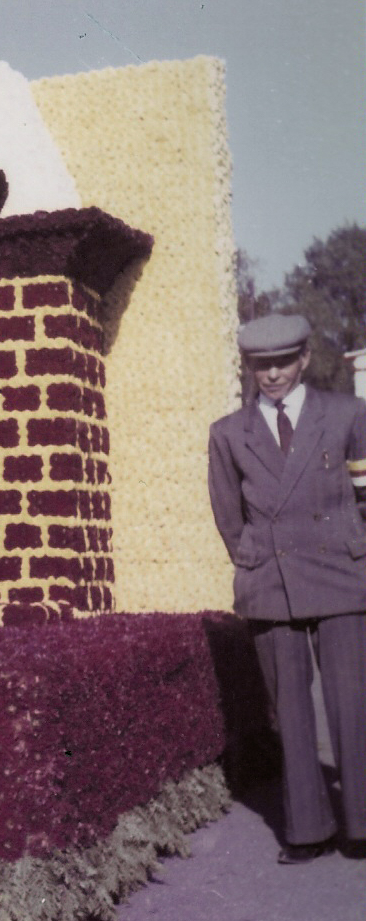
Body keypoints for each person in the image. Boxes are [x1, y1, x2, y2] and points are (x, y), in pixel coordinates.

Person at [207, 312, 366, 864]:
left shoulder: (347, 414)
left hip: (342, 576)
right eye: (261, 365)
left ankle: (362, 823)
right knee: (290, 710)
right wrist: (256, 561)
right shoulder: (229, 432)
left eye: (282, 362)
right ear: (249, 367)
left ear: (304, 359)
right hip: (271, 583)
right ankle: (308, 829)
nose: (272, 374)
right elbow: (229, 515)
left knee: (353, 703)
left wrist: (354, 550)